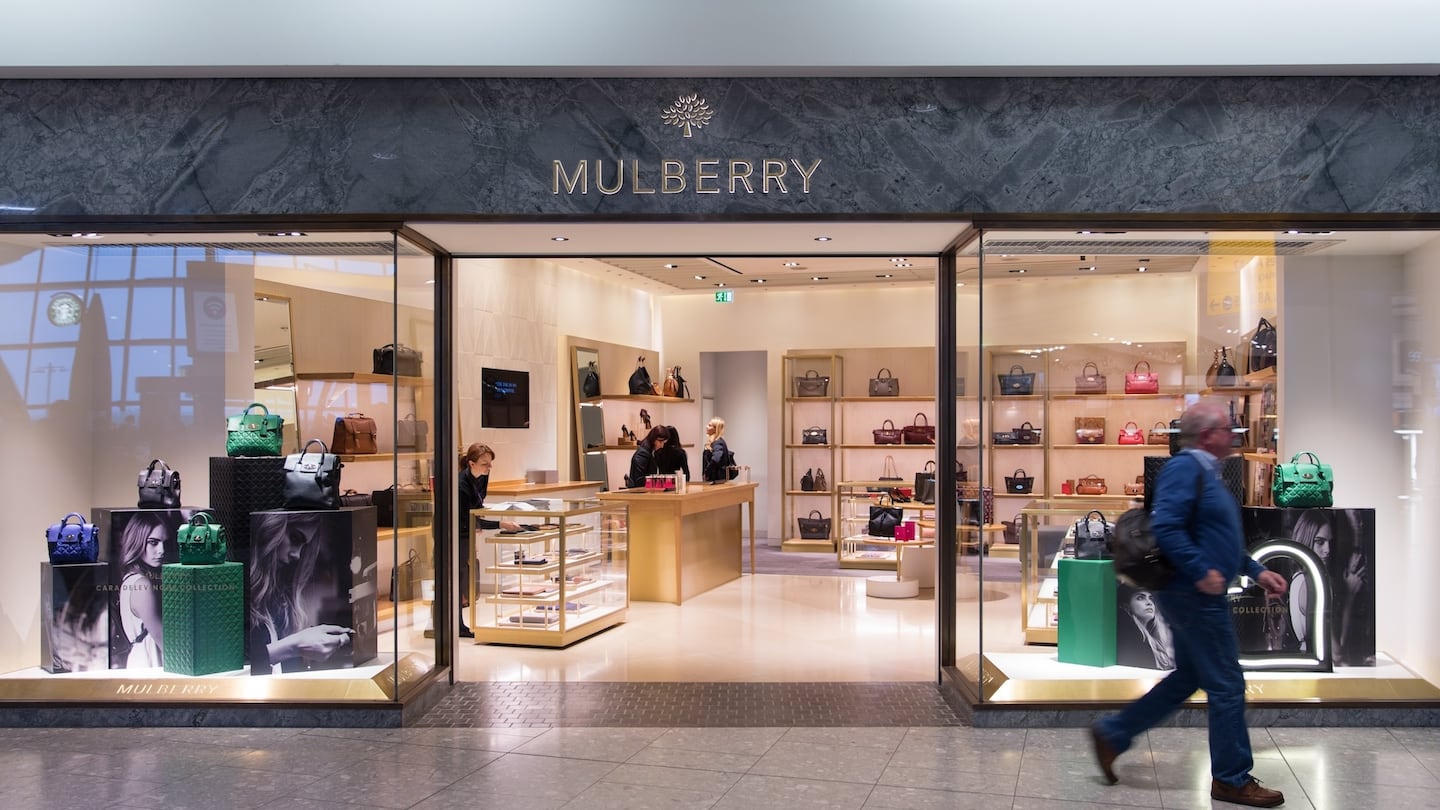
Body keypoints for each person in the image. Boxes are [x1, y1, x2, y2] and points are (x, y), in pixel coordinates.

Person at [1091, 400, 1288, 808]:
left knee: (1187, 679)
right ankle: (1231, 779)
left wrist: (1254, 569)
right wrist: (1200, 571)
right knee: (1228, 684)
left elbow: (1215, 536)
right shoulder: (1186, 468)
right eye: (1227, 428)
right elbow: (1167, 525)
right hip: (1193, 595)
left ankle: (1113, 733)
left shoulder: (1209, 473)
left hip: (1198, 592)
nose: (1233, 435)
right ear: (1206, 435)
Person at [249, 511, 355, 673]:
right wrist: (295, 645)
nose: (297, 555)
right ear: (272, 527)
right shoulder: (235, 592)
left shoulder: (280, 600)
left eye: (303, 546)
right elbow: (230, 673)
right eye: (295, 539)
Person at [1291, 509, 1371, 666]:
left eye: (1329, 542)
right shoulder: (1310, 585)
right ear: (1305, 540)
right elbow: (1337, 653)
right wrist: (1349, 595)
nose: (1327, 550)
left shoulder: (1300, 579)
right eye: (1320, 542)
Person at [458, 443, 522, 637]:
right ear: (471, 463)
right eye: (485, 464)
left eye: (490, 463)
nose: (489, 467)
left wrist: (478, 523)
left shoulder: (482, 477)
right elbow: (464, 517)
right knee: (457, 577)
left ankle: (458, 624)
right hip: (455, 532)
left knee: (462, 573)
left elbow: (477, 508)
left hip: (466, 529)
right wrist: (499, 524)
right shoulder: (461, 485)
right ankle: (455, 625)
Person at [116, 512, 172, 668]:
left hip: (142, 658)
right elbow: (166, 645)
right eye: (153, 542)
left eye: (164, 543)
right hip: (151, 660)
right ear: (137, 541)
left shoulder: (131, 578)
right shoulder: (142, 585)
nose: (161, 550)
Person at [1114, 586, 1174, 670]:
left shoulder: (1157, 639)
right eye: (1140, 598)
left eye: (1151, 598)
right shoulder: (1132, 636)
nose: (1149, 602)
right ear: (1126, 606)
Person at [701, 417, 733, 483]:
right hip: (717, 479)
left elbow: (716, 458)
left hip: (715, 480)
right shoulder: (718, 441)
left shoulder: (717, 442)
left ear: (716, 429)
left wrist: (707, 472)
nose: (706, 427)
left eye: (710, 425)